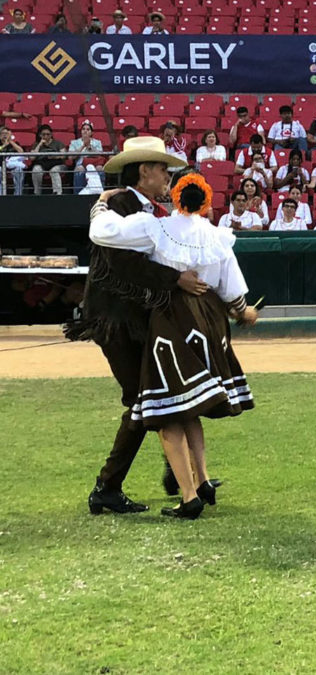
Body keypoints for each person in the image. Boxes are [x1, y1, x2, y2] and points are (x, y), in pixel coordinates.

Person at [89, 173, 257, 519]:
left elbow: (104, 232)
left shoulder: (157, 227)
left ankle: (188, 494)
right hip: (210, 320)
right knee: (190, 405)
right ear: (206, 201)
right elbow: (233, 291)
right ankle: (201, 480)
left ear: (177, 197)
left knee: (164, 405)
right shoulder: (216, 235)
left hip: (172, 318)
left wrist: (100, 205)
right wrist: (244, 311)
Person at [64, 137, 197, 515]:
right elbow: (122, 265)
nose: (168, 176)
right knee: (145, 400)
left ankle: (177, 475)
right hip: (119, 319)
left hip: (136, 316)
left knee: (159, 393)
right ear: (145, 171)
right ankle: (112, 484)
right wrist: (176, 280)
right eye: (163, 169)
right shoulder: (120, 205)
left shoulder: (145, 209)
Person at [68, 121, 104, 194]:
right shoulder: (74, 142)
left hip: (94, 163)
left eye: (88, 129)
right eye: (83, 129)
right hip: (80, 164)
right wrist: (83, 146)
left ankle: (100, 193)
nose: (85, 131)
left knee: (100, 168)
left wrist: (89, 146)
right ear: (81, 131)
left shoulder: (97, 142)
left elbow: (99, 155)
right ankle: (78, 194)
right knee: (79, 169)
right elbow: (71, 157)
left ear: (91, 132)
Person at [30, 126, 65, 195]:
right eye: (43, 134)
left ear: (51, 134)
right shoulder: (36, 144)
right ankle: (37, 192)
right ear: (40, 135)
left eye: (48, 134)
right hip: (42, 164)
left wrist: (54, 157)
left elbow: (63, 155)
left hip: (57, 164)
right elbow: (32, 157)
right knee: (36, 170)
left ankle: (58, 193)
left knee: (54, 171)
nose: (46, 136)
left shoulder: (58, 143)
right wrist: (39, 145)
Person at [0, 126, 27, 196]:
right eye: (3, 133)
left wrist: (10, 142)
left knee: (19, 170)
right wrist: (4, 145)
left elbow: (21, 151)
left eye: (7, 133)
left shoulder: (14, 143)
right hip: (1, 165)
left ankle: (18, 194)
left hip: (13, 165)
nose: (5, 135)